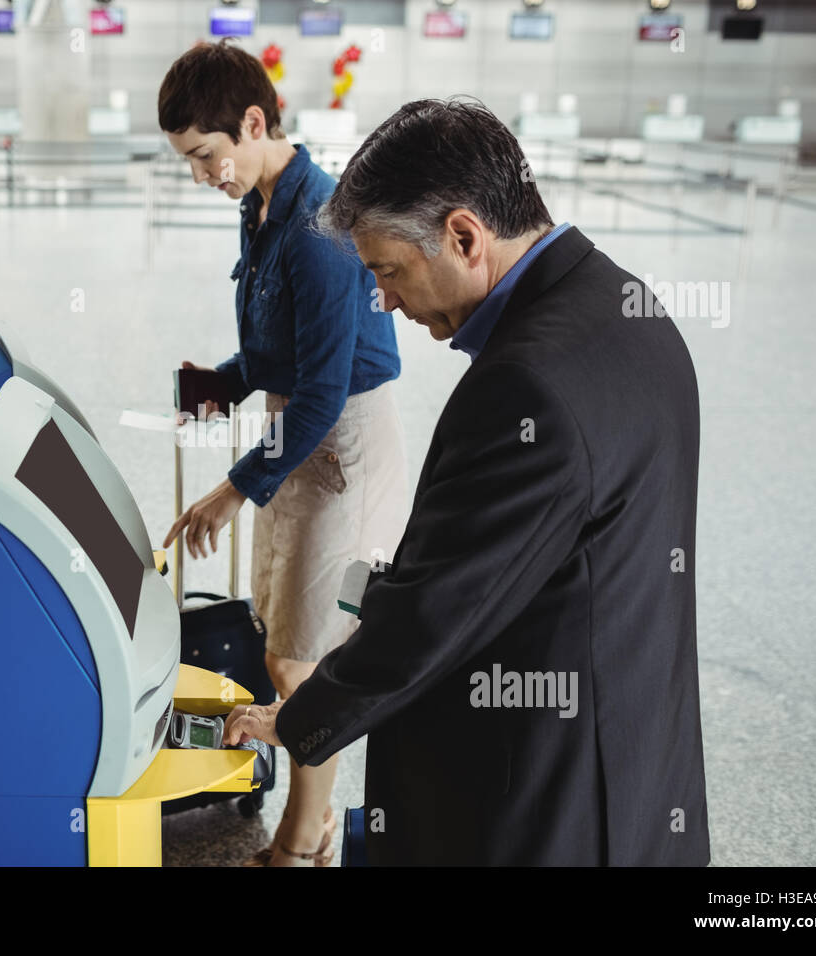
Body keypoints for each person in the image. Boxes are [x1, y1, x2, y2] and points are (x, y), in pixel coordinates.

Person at [224, 97, 711, 866]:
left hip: (546, 798)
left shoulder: (528, 386)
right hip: (636, 764)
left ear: (462, 235)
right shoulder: (628, 307)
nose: (382, 299)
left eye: (387, 270)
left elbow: (434, 617)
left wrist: (296, 719)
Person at [156, 40, 408, 866]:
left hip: (338, 445)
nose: (201, 176)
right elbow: (282, 354)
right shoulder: (261, 206)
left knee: (303, 663)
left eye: (205, 155)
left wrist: (234, 490)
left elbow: (326, 391)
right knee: (279, 642)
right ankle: (313, 821)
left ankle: (304, 843)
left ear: (253, 122)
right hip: (289, 426)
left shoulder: (318, 226)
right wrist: (222, 384)